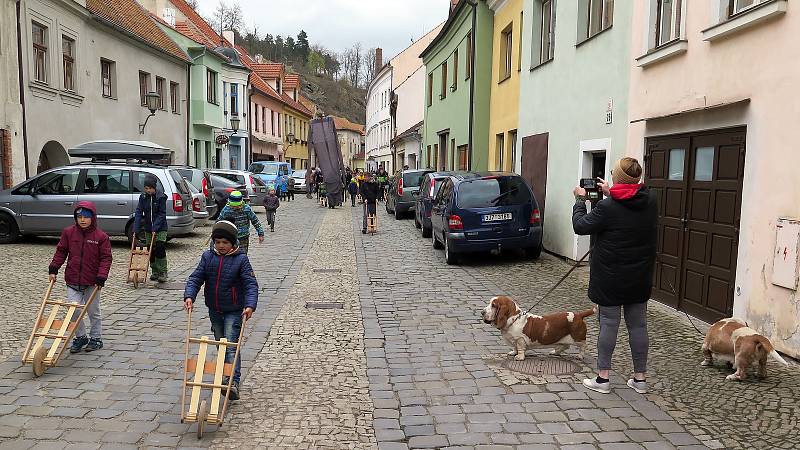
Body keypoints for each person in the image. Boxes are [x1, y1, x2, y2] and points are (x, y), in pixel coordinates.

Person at [572, 157, 657, 395]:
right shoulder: (650, 200)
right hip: (639, 275)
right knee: (638, 325)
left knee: (608, 324)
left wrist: (580, 199)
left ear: (618, 178)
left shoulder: (607, 208)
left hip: (610, 276)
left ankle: (603, 379)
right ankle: (640, 379)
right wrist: (613, 192)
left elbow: (581, 226)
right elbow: (629, 204)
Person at [184, 221, 258, 401]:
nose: (221, 246)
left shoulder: (241, 259)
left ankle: (232, 381)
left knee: (231, 344)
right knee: (220, 343)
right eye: (218, 242)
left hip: (234, 309)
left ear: (233, 243)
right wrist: (189, 296)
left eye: (225, 242)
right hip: (214, 309)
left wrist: (250, 305)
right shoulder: (208, 257)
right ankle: (226, 373)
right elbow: (196, 278)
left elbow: (250, 284)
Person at [49, 202, 112, 353]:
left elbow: (106, 258)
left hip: (92, 282)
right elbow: (61, 251)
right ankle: (80, 336)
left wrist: (101, 277)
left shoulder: (101, 237)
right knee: (73, 310)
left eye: (86, 217)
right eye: (79, 217)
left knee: (93, 311)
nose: (83, 220)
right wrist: (54, 268)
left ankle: (96, 338)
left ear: (93, 218)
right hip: (72, 280)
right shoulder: (69, 233)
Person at [134, 176, 169, 282]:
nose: (148, 190)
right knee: (150, 249)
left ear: (154, 187)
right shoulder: (143, 197)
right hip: (148, 227)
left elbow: (162, 214)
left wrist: (156, 227)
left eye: (150, 188)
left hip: (161, 227)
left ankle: (163, 271)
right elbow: (139, 212)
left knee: (159, 247)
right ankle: (154, 271)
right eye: (146, 188)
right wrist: (136, 228)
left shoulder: (161, 197)